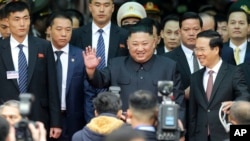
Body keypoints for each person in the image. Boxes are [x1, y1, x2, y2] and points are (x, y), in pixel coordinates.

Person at [83, 23, 186, 126]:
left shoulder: (168, 66)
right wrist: (91, 70)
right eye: (135, 44)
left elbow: (179, 103)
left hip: (156, 128)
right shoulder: (116, 65)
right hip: (122, 128)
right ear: (128, 44)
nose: (140, 49)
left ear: (154, 43)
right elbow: (99, 81)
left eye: (145, 44)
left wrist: (177, 130)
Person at [0, 1, 61, 139]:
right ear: (7, 21)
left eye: (25, 18)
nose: (22, 24)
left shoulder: (43, 46)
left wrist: (56, 122)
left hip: (38, 114)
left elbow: (52, 85)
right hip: (6, 115)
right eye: (16, 19)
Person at [70, 0, 129, 122]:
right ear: (90, 7)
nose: (101, 10)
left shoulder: (124, 35)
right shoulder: (76, 35)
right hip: (83, 97)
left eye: (106, 5)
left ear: (112, 8)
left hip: (116, 96)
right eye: (97, 5)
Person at [189, 30, 250, 141]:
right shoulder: (195, 77)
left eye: (202, 49)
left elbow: (244, 96)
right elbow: (193, 114)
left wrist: (236, 105)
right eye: (196, 49)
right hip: (200, 136)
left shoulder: (234, 72)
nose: (198, 53)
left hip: (225, 135)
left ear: (216, 49)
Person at [47, 11, 93, 141]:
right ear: (49, 30)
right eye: (59, 29)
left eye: (68, 30)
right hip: (47, 119)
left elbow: (88, 92)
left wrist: (90, 122)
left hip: (74, 121)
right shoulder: (41, 53)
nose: (64, 34)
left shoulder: (80, 56)